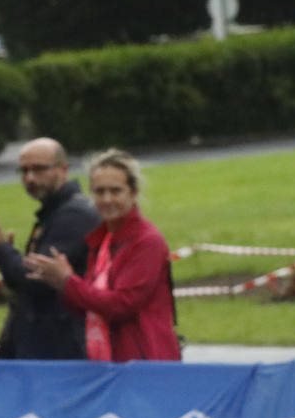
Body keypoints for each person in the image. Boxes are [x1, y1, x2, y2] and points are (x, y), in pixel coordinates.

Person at [24, 149, 180, 362]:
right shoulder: (104, 239)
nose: (107, 199)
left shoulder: (147, 241)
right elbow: (88, 305)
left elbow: (121, 305)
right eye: (99, 191)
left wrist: (68, 282)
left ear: (133, 193)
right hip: (108, 358)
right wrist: (61, 282)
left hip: (144, 362)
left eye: (116, 191)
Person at [0, 138, 99, 359]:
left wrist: (0, 248)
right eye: (24, 171)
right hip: (48, 343)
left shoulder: (74, 215)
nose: (30, 178)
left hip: (58, 347)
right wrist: (1, 250)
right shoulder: (56, 212)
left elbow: (33, 278)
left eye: (39, 169)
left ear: (63, 169)